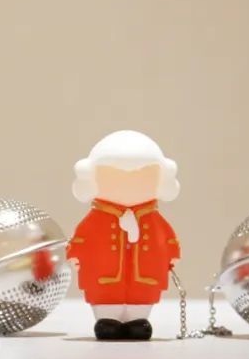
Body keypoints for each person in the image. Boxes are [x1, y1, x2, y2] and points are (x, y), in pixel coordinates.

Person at [67, 130, 180, 341]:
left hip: (145, 273)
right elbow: (82, 237)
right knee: (105, 293)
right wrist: (75, 253)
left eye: (142, 175)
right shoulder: (97, 218)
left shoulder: (152, 217)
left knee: (142, 292)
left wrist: (172, 253)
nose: (130, 181)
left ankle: (138, 319)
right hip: (102, 274)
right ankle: (107, 318)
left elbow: (166, 237)